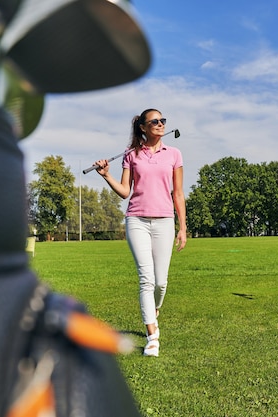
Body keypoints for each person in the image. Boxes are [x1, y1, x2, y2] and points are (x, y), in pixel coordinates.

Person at [94, 108, 187, 357]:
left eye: (162, 120)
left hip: (165, 222)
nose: (160, 124)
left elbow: (178, 193)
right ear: (143, 128)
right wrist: (106, 176)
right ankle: (152, 337)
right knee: (146, 279)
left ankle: (154, 309)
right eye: (154, 121)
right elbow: (125, 191)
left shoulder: (174, 154)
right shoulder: (131, 155)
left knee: (161, 282)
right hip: (136, 220)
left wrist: (183, 227)